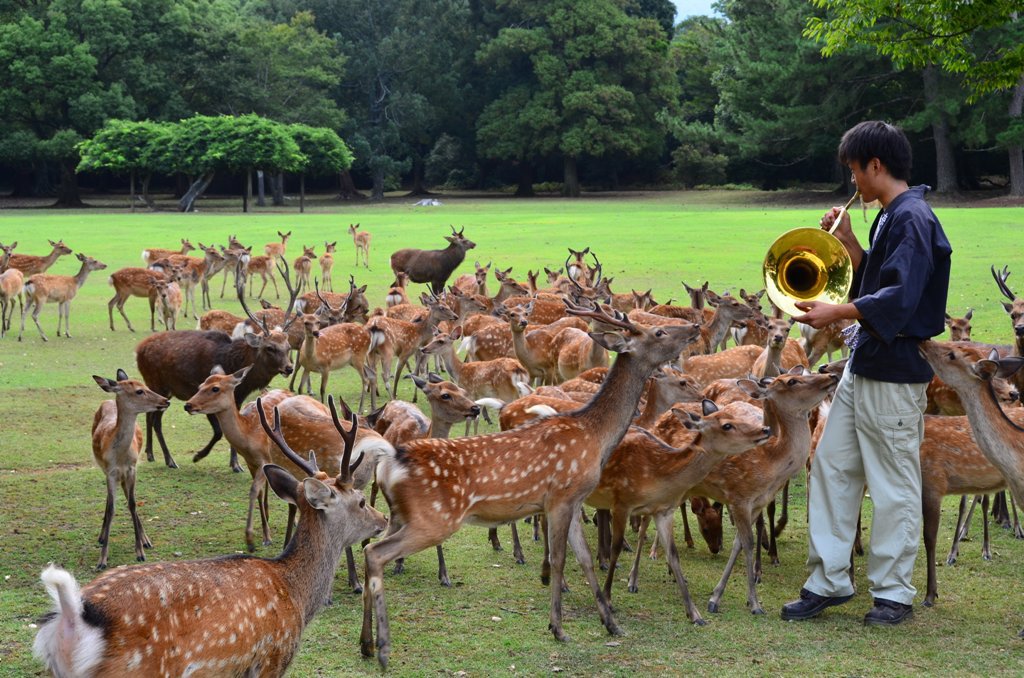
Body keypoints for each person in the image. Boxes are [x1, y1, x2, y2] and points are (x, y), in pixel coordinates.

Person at [781, 120, 952, 626]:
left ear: (875, 165)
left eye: (854, 170)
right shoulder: (889, 216)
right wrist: (852, 243)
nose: (853, 180)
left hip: (896, 371)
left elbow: (900, 297)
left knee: (893, 482)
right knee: (832, 469)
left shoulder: (914, 218)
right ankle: (828, 580)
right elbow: (878, 274)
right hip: (865, 364)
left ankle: (894, 594)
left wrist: (837, 312)